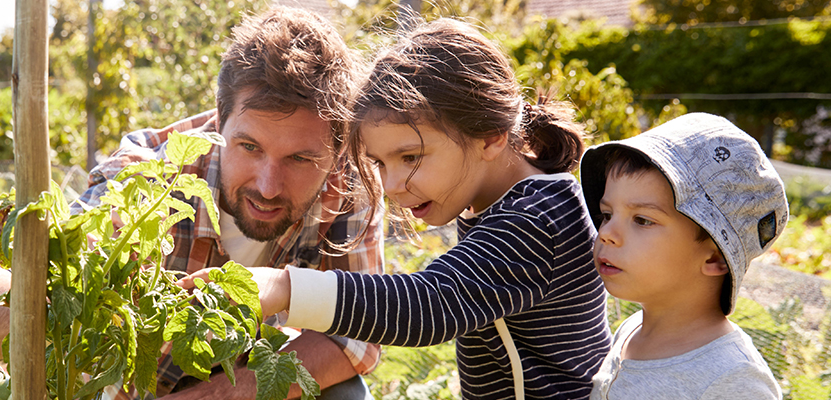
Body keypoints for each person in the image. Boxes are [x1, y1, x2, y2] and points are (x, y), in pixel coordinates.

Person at [0, 7, 385, 400]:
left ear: (338, 147)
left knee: (342, 392)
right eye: (249, 147)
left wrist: (220, 396)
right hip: (134, 390)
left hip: (240, 378)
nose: (268, 186)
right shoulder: (150, 174)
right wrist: (74, 291)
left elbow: (355, 340)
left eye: (301, 159)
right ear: (218, 120)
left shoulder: (352, 186)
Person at [185, 18, 613, 399]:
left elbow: (431, 304)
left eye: (410, 158)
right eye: (379, 163)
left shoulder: (538, 217)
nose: (391, 186)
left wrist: (284, 289)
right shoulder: (497, 205)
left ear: (490, 136)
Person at [578, 113, 786, 399]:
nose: (606, 233)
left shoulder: (733, 379)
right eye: (607, 214)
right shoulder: (631, 330)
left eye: (642, 220)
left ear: (715, 258)